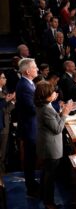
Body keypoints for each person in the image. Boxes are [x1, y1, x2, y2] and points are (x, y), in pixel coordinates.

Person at [35, 81, 74, 209]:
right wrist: (65, 113)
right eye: (53, 92)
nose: (55, 93)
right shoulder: (46, 108)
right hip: (50, 147)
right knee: (49, 176)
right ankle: (49, 203)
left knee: (47, 173)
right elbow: (57, 129)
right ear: (47, 94)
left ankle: (43, 196)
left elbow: (53, 120)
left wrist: (62, 111)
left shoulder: (46, 105)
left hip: (48, 145)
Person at [15, 58, 39, 197]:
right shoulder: (24, 86)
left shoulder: (28, 83)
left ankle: (32, 184)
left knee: (32, 158)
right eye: (35, 67)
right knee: (30, 159)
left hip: (31, 127)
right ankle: (31, 188)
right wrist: (47, 102)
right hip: (29, 128)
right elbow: (32, 108)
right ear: (28, 71)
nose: (36, 69)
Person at [0, 72, 15, 172]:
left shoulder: (4, 89)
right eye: (3, 77)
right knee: (1, 153)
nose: (5, 79)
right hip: (2, 127)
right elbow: (4, 110)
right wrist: (13, 102)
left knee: (4, 153)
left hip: (5, 124)